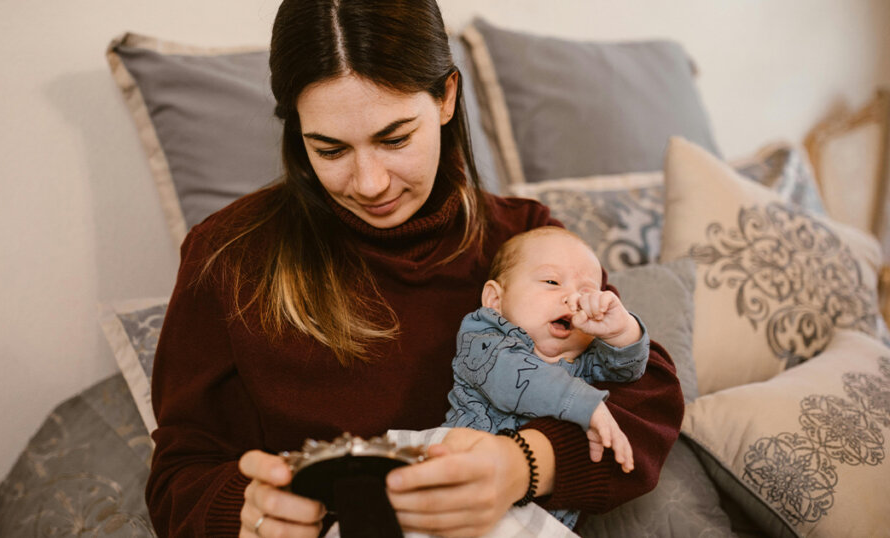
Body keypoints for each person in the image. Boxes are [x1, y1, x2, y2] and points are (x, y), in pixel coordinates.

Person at [145, 0, 685, 536]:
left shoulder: (524, 242)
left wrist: (521, 465)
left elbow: (648, 399)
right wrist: (247, 512)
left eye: (394, 138)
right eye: (330, 149)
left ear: (446, 97)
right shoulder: (226, 256)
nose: (370, 182)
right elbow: (179, 474)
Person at [443, 227, 651, 529]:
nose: (571, 298)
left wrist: (621, 332)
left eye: (586, 293)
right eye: (552, 282)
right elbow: (512, 379)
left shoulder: (584, 355)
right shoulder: (484, 337)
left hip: (539, 519)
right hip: (459, 486)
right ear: (495, 299)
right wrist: (586, 404)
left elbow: (628, 373)